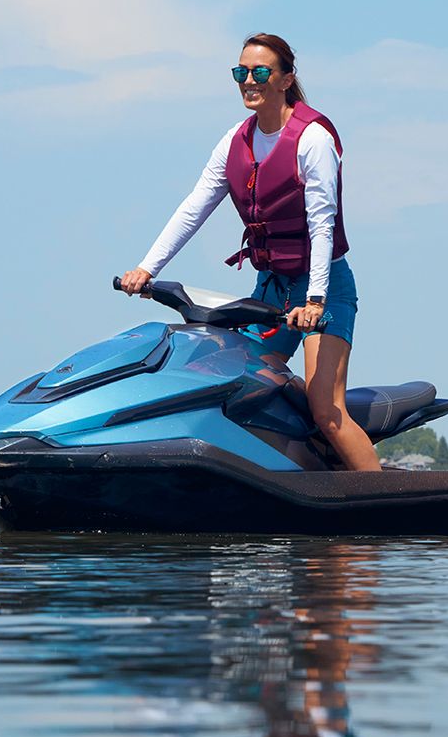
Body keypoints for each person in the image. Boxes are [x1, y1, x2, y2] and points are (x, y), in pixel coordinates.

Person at [117, 34, 381, 472]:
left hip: (325, 287)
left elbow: (321, 225)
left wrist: (314, 301)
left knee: (327, 412)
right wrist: (147, 268)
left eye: (260, 72)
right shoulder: (234, 140)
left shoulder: (312, 138)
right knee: (235, 385)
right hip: (271, 289)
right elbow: (194, 207)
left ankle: (379, 505)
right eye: (241, 73)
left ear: (286, 79)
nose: (249, 81)